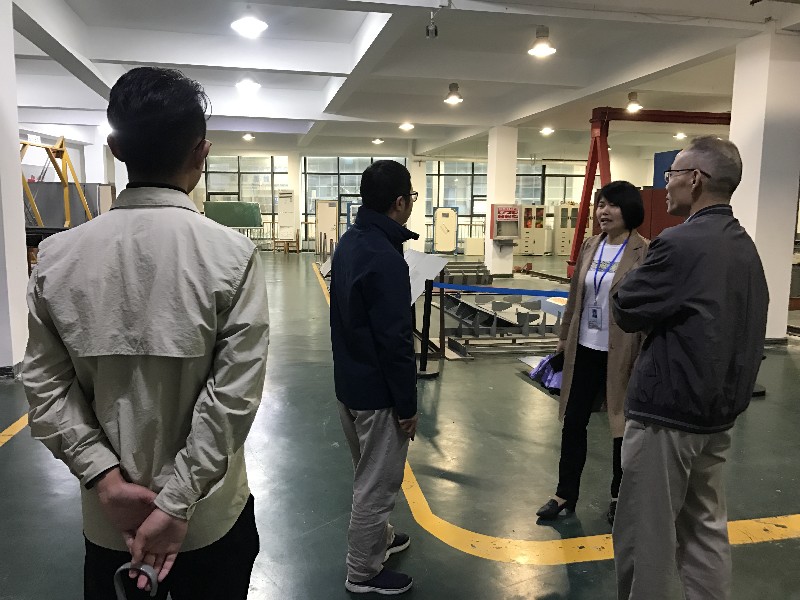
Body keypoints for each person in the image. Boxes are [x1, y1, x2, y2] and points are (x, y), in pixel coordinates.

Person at [22, 67, 269, 600]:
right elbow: (233, 398)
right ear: (201, 152)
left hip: (113, 524)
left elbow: (44, 387)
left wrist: (107, 481)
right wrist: (176, 503)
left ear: (115, 148)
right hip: (207, 521)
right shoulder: (232, 257)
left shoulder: (56, 259)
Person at [611, 137, 768, 600]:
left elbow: (626, 306)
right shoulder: (744, 246)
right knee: (704, 528)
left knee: (645, 534)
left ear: (695, 179)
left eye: (672, 175)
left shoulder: (679, 243)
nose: (666, 186)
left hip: (667, 416)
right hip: (716, 415)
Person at [329, 160, 420, 595]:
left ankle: (380, 539)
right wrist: (407, 406)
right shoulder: (386, 257)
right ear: (399, 202)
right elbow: (395, 340)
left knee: (366, 472)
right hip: (378, 393)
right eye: (411, 197)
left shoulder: (350, 242)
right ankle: (362, 571)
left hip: (349, 384)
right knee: (377, 486)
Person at [536, 181, 649, 525]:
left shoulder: (644, 251)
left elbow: (648, 307)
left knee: (620, 425)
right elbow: (575, 297)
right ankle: (565, 493)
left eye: (612, 205)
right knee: (573, 421)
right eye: (601, 204)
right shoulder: (590, 245)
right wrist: (563, 339)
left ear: (629, 210)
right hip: (583, 347)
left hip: (621, 350)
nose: (603, 211)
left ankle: (619, 495)